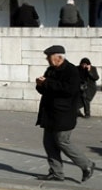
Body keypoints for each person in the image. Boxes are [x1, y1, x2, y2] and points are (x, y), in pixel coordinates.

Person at [35, 45, 95, 183]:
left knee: (63, 141)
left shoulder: (71, 71)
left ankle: (87, 165)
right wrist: (40, 84)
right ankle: (56, 172)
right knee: (49, 143)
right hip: (49, 113)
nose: (47, 59)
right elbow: (45, 89)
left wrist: (47, 83)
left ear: (59, 57)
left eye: (49, 57)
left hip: (64, 114)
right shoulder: (50, 70)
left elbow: (68, 90)